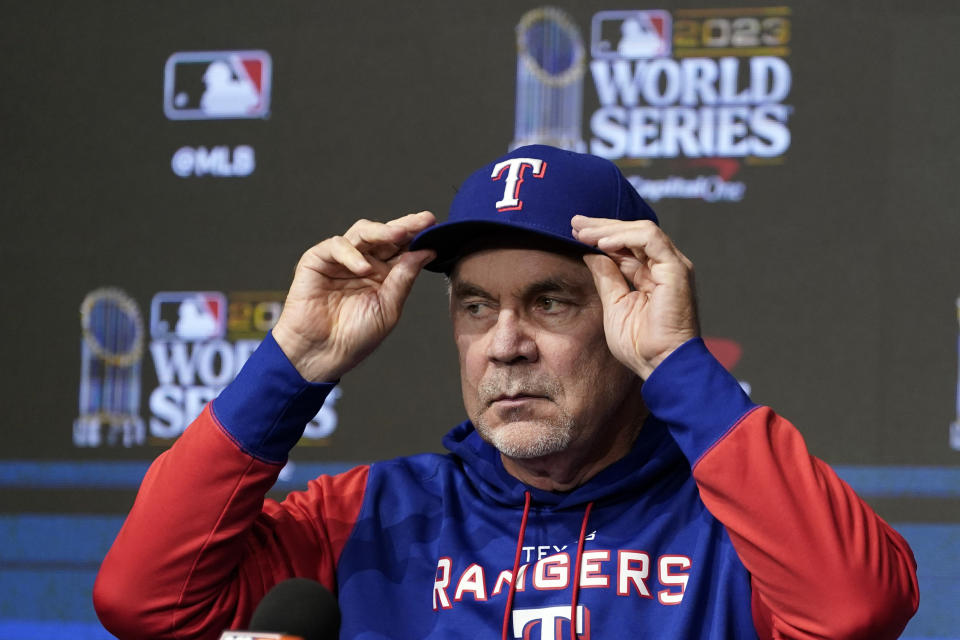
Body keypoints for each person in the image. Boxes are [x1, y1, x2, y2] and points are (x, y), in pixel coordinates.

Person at [94, 145, 918, 639]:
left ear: (627, 307)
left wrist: (676, 363)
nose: (505, 345)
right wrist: (294, 360)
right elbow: (146, 602)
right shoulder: (368, 516)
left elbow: (855, 609)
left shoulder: (740, 525)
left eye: (549, 302)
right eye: (475, 307)